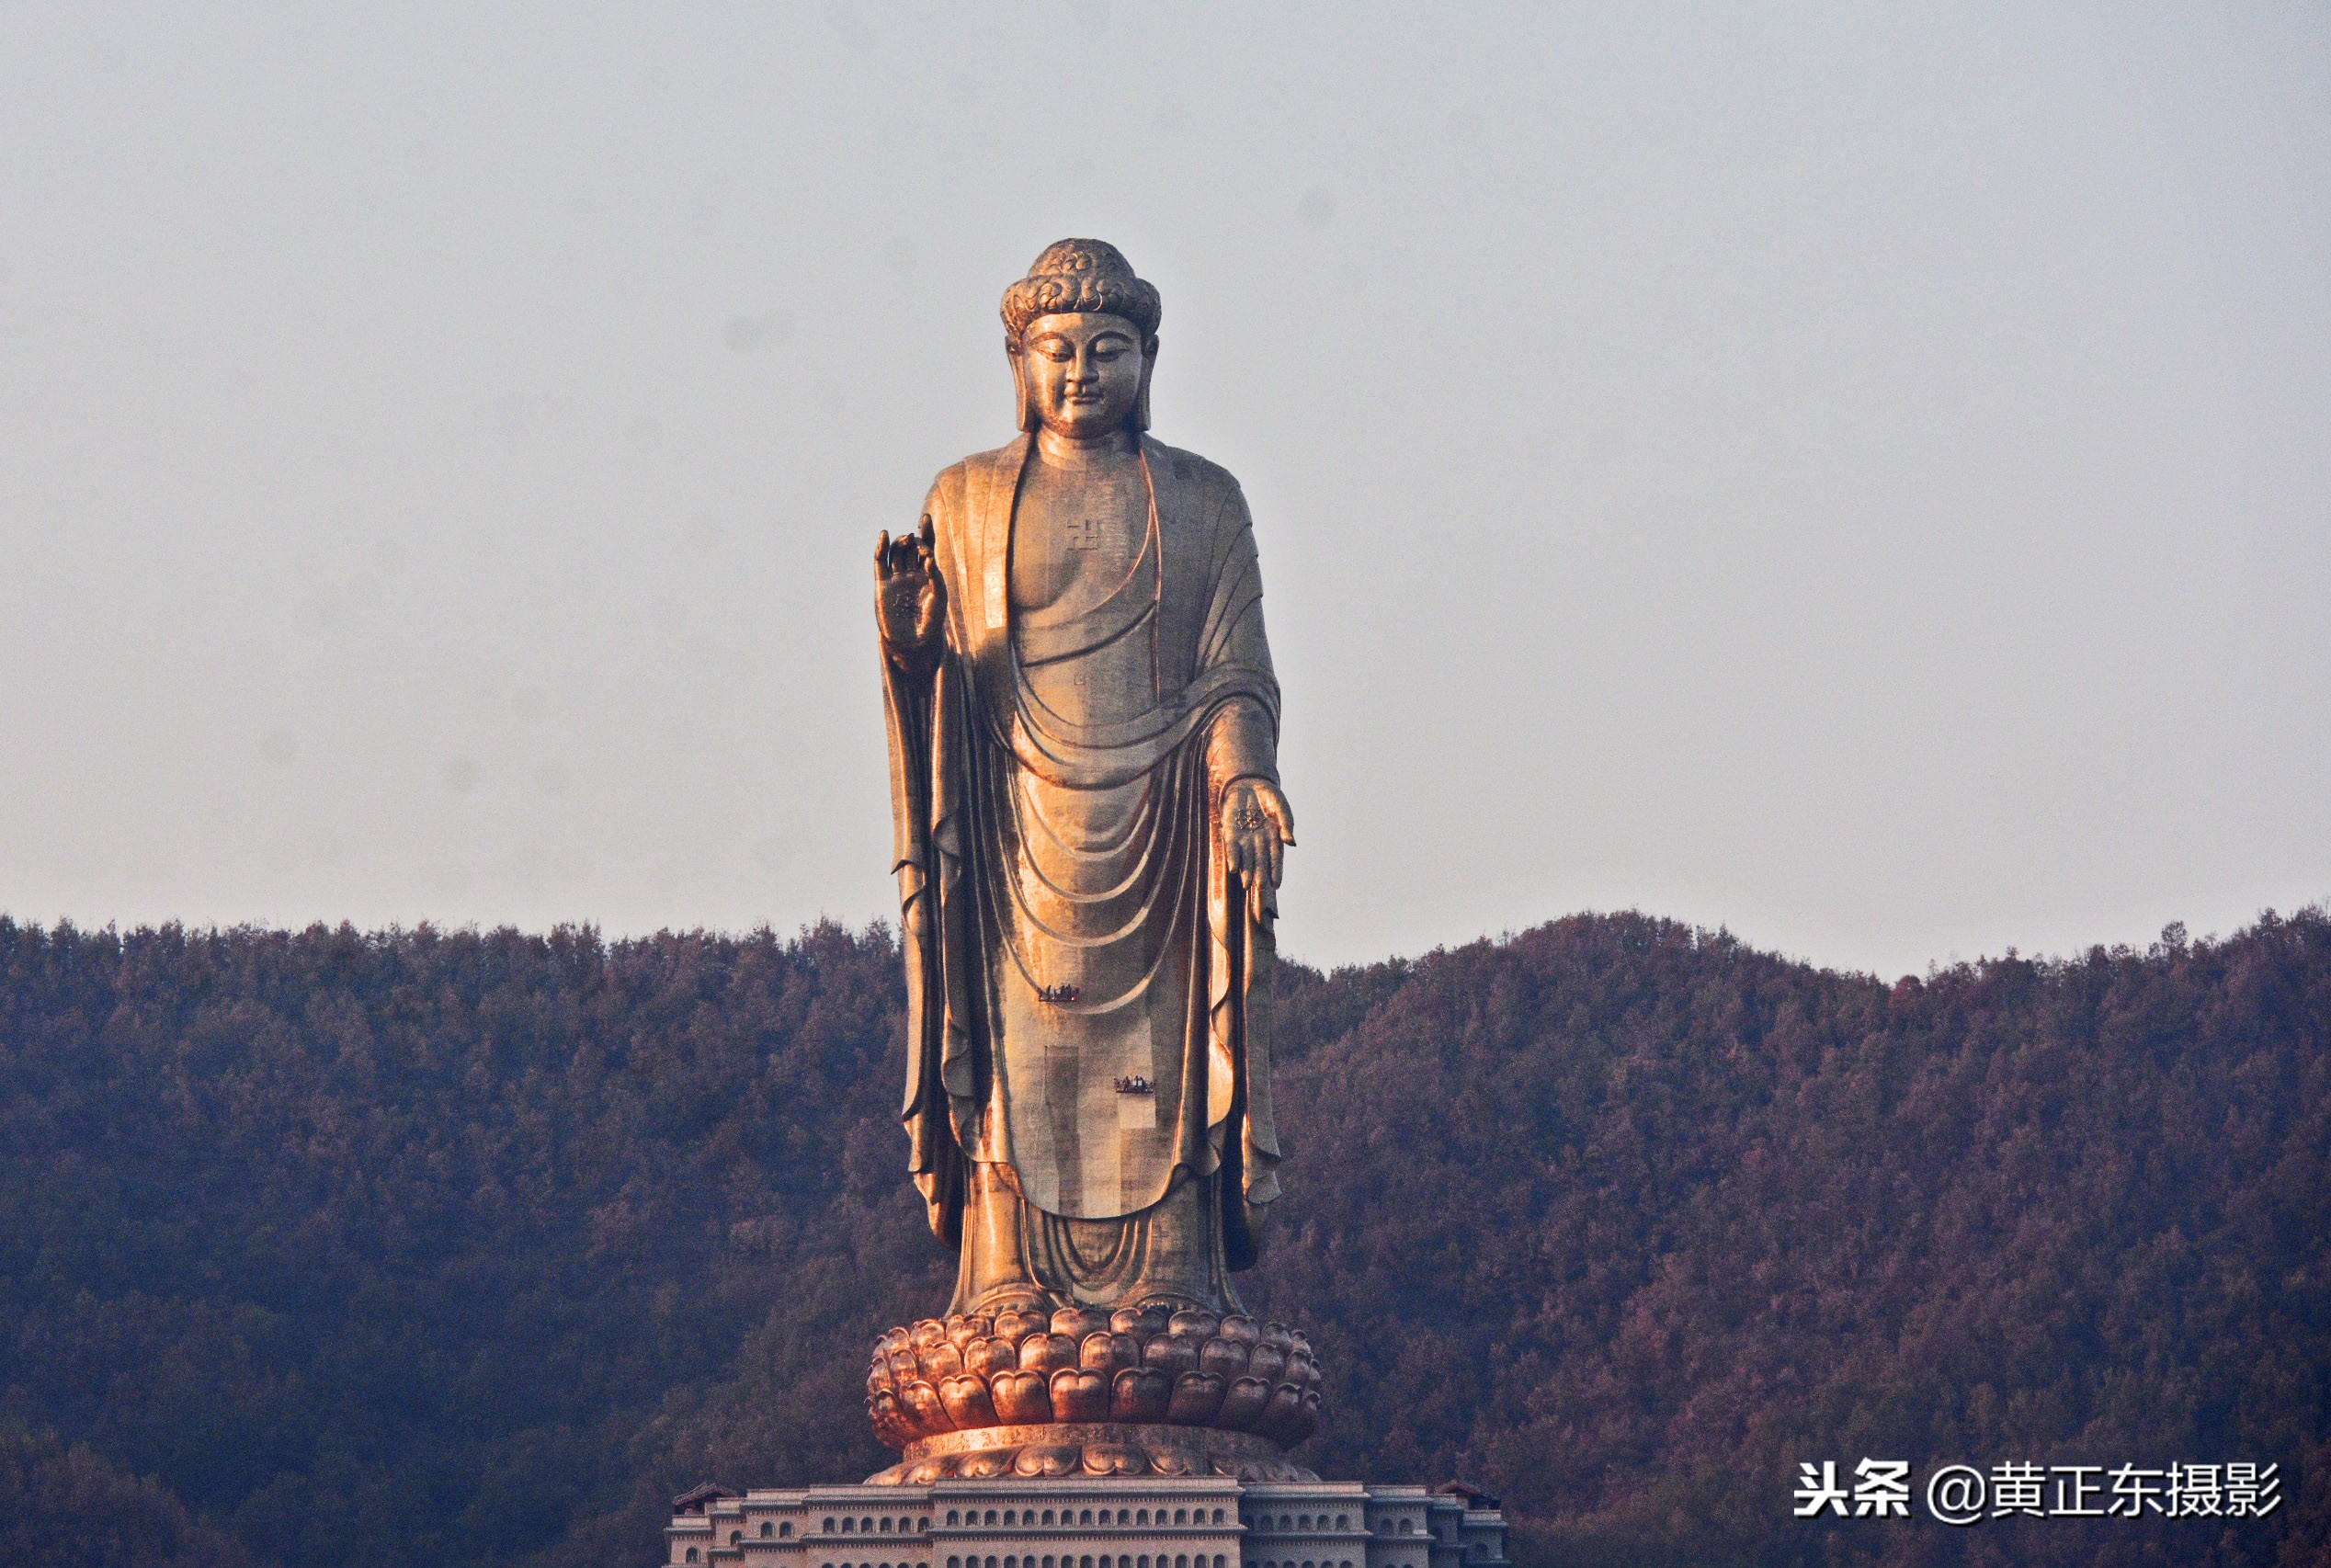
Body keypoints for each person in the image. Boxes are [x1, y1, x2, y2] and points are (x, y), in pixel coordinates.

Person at [875, 239, 1295, 1317]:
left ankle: (1167, 1273)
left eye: (1107, 349)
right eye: (1056, 350)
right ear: (1018, 362)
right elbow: (945, 681)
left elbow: (1234, 673)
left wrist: (1243, 777)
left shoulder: (1203, 501)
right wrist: (911, 643)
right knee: (1022, 1043)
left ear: (1146, 359)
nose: (1080, 373)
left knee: (1154, 1048)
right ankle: (1010, 1269)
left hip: (1162, 823)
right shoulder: (964, 498)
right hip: (1013, 818)